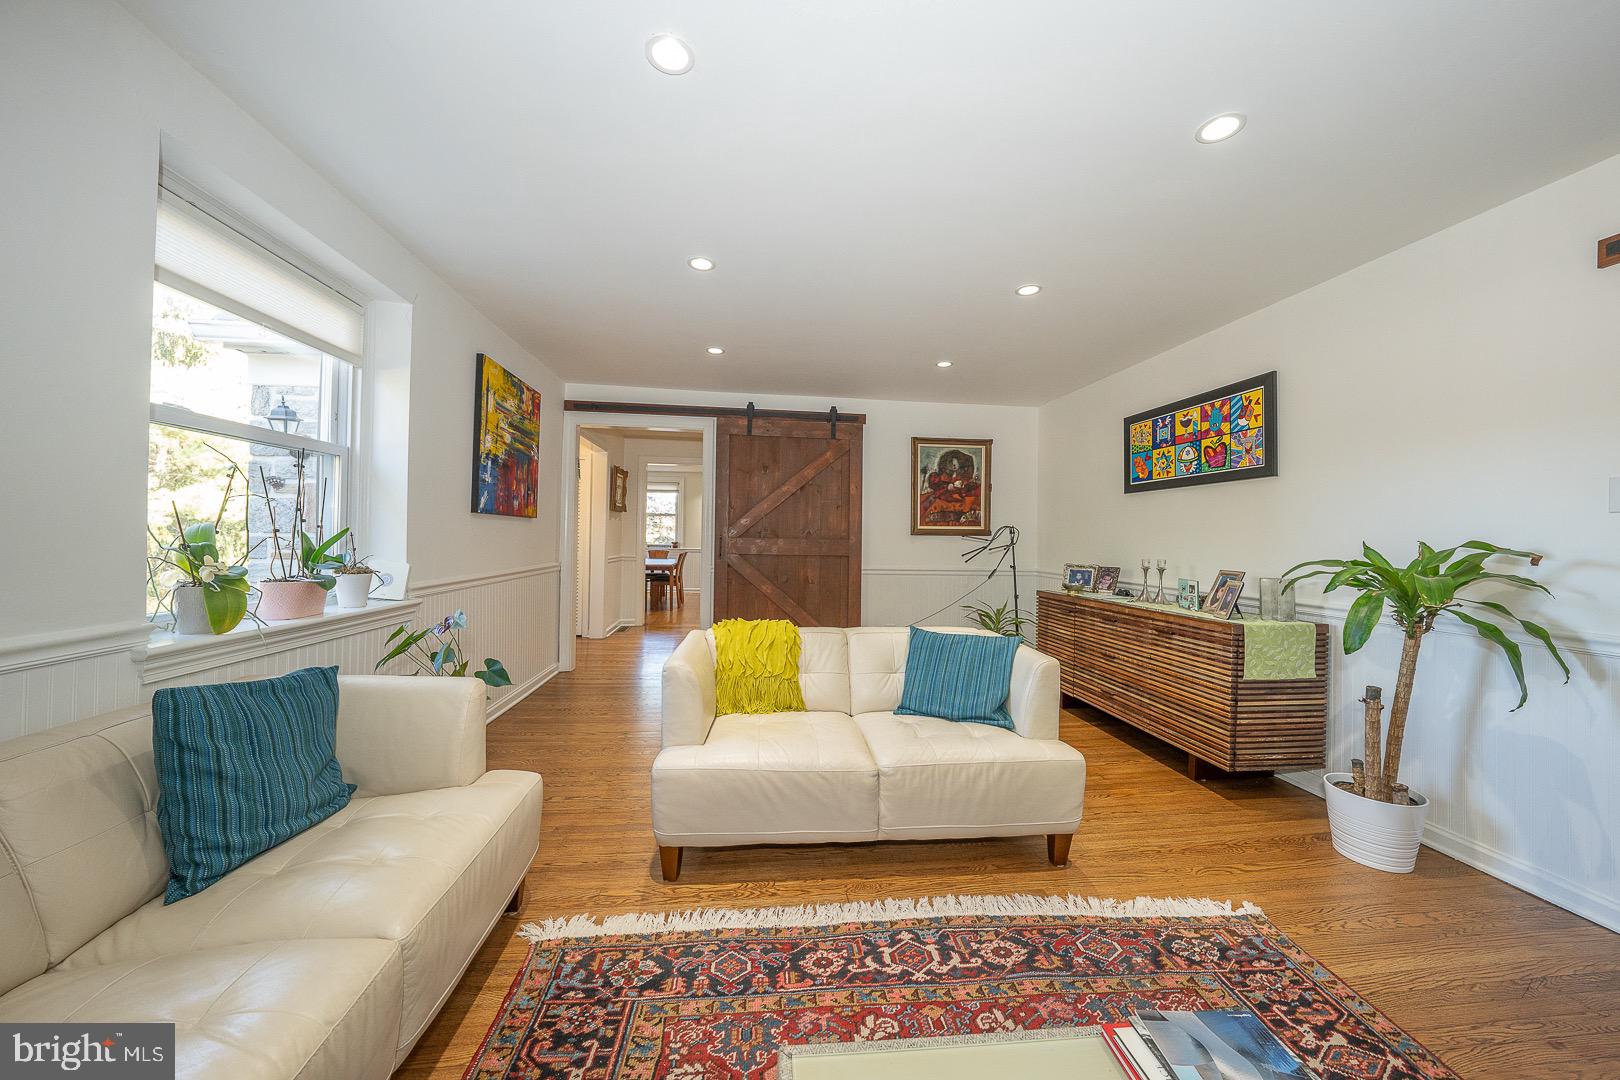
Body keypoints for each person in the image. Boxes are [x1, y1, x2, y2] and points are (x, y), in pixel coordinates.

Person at [919, 450, 982, 527]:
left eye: (956, 463)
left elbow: (969, 488)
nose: (954, 465)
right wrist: (947, 487)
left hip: (959, 498)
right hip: (944, 496)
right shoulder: (939, 476)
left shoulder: (964, 476)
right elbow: (936, 487)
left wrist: (962, 486)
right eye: (951, 463)